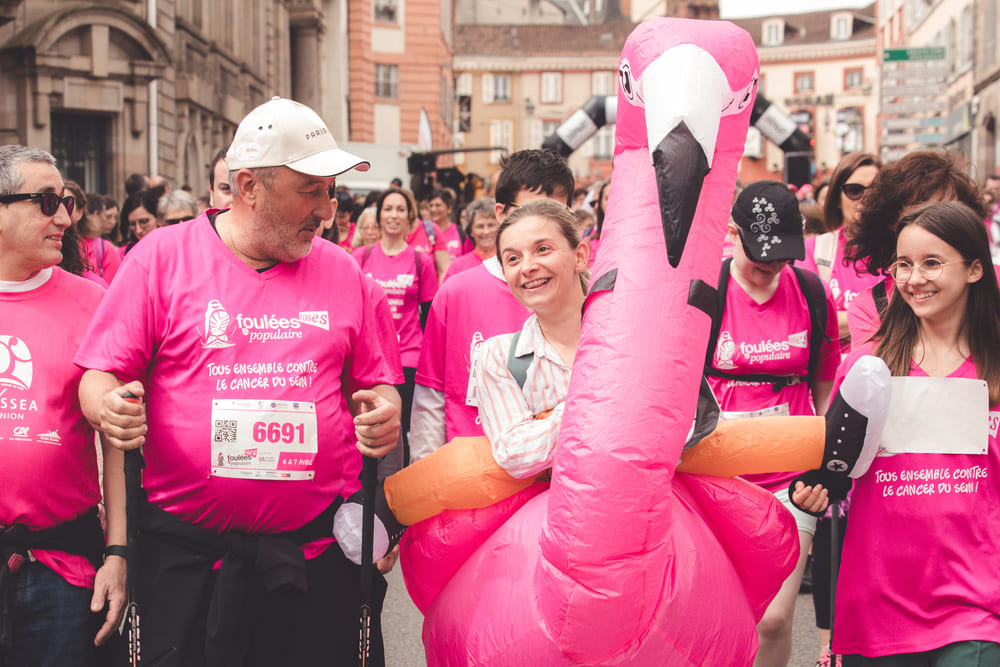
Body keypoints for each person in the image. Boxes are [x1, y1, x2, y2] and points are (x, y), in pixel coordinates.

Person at [75, 97, 402, 666]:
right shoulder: (160, 258)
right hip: (189, 563)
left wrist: (386, 411)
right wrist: (108, 405)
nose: (328, 209)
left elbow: (375, 385)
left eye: (332, 190)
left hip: (310, 557)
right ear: (249, 186)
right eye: (311, 189)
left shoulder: (344, 271)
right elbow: (100, 374)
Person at [816, 201, 1000, 665]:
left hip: (976, 605)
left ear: (976, 268)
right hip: (877, 605)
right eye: (904, 265)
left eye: (932, 262)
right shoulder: (867, 368)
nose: (914, 278)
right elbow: (830, 467)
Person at [0, 145, 126, 665]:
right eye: (47, 201)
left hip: (63, 570)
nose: (64, 217)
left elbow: (117, 442)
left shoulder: (94, 301)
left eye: (67, 201)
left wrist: (119, 554)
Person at [706, 181, 840, 667]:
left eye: (782, 260)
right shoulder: (707, 292)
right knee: (721, 611)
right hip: (718, 478)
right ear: (732, 233)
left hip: (793, 476)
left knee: (775, 618)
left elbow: (824, 377)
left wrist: (827, 456)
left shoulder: (809, 290)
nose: (771, 272)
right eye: (761, 261)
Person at [407, 148, 573, 463]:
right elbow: (432, 398)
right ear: (500, 213)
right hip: (476, 486)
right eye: (531, 211)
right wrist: (429, 482)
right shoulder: (457, 292)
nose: (544, 226)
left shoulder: (584, 291)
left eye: (558, 213)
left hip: (564, 482)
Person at [844, 151, 986, 350]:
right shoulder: (872, 308)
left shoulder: (994, 284)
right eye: (920, 213)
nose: (934, 223)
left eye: (948, 211)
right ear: (893, 222)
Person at [354, 188, 438, 465]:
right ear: (378, 217)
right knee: (368, 430)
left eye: (400, 209)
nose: (393, 215)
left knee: (399, 433)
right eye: (388, 208)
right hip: (369, 359)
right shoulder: (360, 257)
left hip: (407, 358)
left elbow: (429, 316)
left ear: (410, 217)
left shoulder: (420, 261)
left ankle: (395, 494)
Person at [799, 152, 881, 350]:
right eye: (855, 191)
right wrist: (880, 321)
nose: (866, 199)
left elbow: (906, 320)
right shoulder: (813, 250)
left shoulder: (899, 253)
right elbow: (808, 320)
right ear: (837, 198)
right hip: (830, 377)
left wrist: (836, 320)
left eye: (876, 191)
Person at [442, 197, 498, 281]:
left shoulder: (509, 263)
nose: (486, 231)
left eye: (491, 225)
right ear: (471, 231)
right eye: (480, 226)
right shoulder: (457, 266)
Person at [79, 191, 121, 283]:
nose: (112, 222)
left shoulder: (102, 248)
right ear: (96, 214)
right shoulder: (105, 248)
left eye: (116, 218)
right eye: (106, 216)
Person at [426, 187, 464, 261]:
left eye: (438, 205)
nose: (433, 209)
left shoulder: (461, 232)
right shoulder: (424, 232)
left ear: (449, 208)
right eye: (431, 206)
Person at [118, 189, 160, 256]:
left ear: (158, 218)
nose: (138, 230)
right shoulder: (123, 253)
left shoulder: (172, 247)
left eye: (143, 222)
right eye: (133, 224)